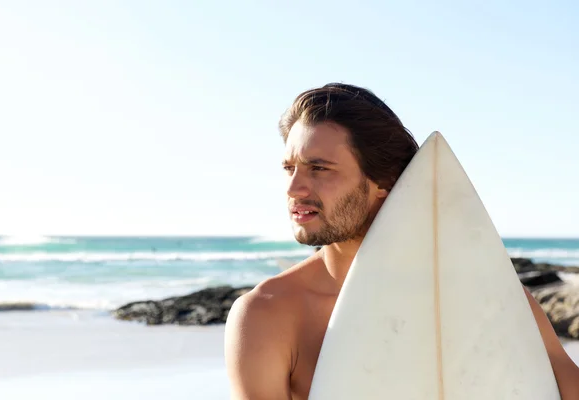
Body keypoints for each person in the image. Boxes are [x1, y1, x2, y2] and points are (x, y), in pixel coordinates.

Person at [224, 83, 579, 399]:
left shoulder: (493, 300)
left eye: (319, 168)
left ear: (386, 182)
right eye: (290, 168)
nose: (293, 189)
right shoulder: (267, 316)